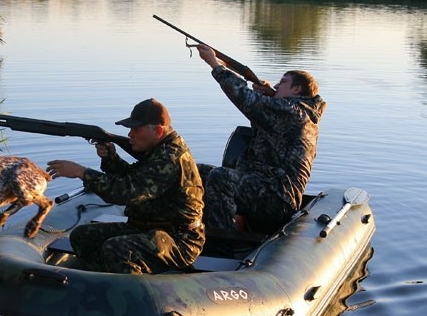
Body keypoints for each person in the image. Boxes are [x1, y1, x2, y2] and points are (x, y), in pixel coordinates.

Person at [46, 98, 204, 274]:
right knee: (82, 236)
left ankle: (133, 296)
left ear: (158, 131)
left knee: (118, 249)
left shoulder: (169, 157)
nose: (130, 134)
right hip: (146, 227)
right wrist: (110, 158)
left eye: (136, 129)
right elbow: (133, 176)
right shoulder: (160, 149)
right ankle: (102, 282)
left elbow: (125, 193)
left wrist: (81, 172)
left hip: (178, 239)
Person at [195, 44, 326, 233]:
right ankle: (192, 224)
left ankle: (225, 240)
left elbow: (244, 99)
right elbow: (261, 120)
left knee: (220, 177)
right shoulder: (288, 111)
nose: (276, 86)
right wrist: (268, 96)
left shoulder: (295, 114)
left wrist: (215, 65)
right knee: (196, 171)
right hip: (262, 183)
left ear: (297, 89)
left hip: (279, 197)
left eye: (283, 82)